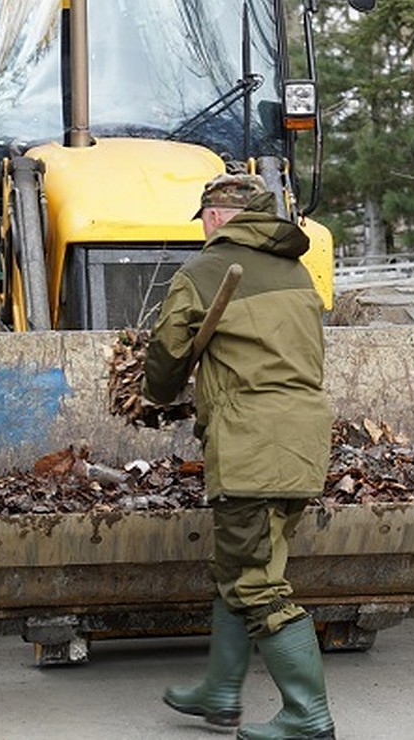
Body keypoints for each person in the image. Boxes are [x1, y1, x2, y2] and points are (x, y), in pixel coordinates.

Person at [143, 172, 335, 740]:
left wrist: (154, 389)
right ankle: (221, 692)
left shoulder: (204, 272)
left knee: (255, 582)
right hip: (301, 441)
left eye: (204, 216)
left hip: (251, 446)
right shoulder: (297, 271)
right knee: (240, 568)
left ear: (219, 216)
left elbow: (164, 363)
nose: (203, 227)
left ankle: (308, 715)